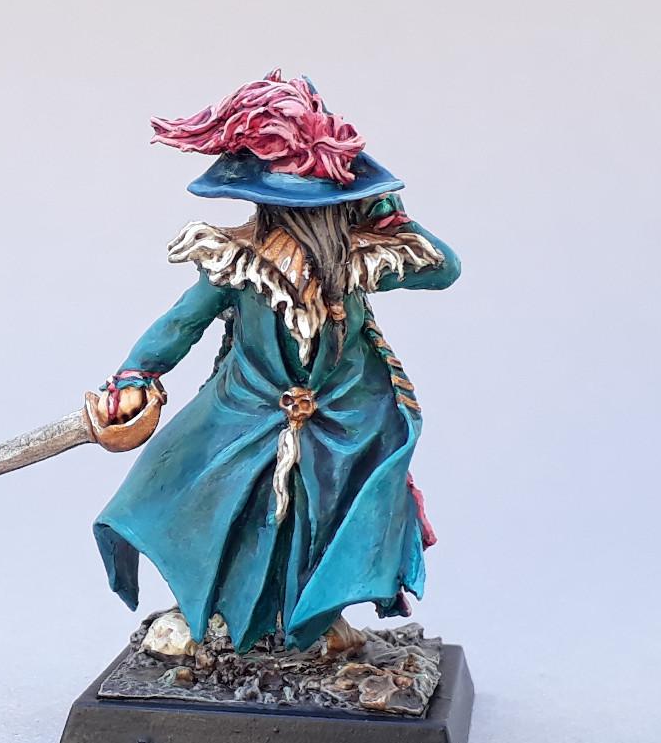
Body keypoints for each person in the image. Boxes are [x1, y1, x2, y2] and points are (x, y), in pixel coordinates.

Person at [92, 70, 460, 653]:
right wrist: (136, 375)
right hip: (245, 410)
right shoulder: (238, 263)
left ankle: (309, 621)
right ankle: (212, 616)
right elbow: (181, 323)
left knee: (322, 519)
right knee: (213, 504)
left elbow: (442, 270)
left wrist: (393, 217)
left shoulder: (356, 262)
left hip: (345, 418)